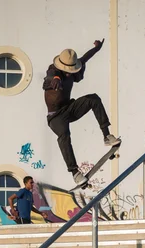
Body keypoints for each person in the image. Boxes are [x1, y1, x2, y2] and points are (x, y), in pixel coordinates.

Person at [43, 39, 121, 186]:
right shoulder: (54, 70)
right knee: (64, 135)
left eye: (70, 72)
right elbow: (51, 73)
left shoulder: (74, 66)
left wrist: (97, 49)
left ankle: (106, 136)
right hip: (55, 117)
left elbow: (85, 58)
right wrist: (56, 78)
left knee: (93, 99)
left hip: (69, 109)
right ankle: (75, 173)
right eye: (66, 72)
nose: (68, 75)